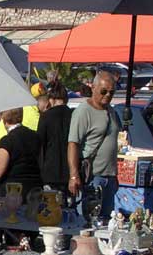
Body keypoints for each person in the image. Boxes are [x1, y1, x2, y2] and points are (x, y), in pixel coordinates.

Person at [68, 70, 122, 221]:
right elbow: (73, 143)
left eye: (111, 92)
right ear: (93, 88)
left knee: (105, 223)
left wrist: (114, 174)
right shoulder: (83, 111)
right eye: (103, 91)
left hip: (109, 177)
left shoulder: (111, 111)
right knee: (87, 222)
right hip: (91, 177)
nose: (107, 96)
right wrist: (73, 175)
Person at [0, 108, 43, 203]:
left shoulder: (8, 140)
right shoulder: (35, 136)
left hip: (12, 193)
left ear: (4, 119)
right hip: (35, 191)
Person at [37, 82, 72, 192]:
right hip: (70, 171)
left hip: (50, 171)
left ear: (51, 99)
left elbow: (39, 143)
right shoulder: (73, 115)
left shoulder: (46, 117)